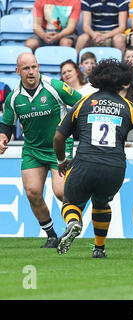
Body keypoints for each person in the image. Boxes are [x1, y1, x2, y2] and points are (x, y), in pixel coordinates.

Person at [54, 59, 133, 258]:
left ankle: (73, 222)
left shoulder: (83, 103)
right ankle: (99, 249)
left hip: (84, 163)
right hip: (114, 168)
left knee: (70, 201)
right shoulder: (129, 107)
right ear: (123, 81)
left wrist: (62, 160)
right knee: (102, 203)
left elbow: (58, 137)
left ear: (95, 78)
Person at [0, 52, 82, 248]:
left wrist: (79, 130)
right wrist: (2, 137)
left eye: (34, 67)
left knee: (61, 191)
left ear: (38, 67)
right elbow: (7, 124)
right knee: (32, 192)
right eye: (26, 68)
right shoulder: (13, 97)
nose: (31, 72)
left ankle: (73, 222)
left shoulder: (55, 87)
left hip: (59, 148)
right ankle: (52, 235)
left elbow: (82, 104)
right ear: (17, 71)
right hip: (33, 149)